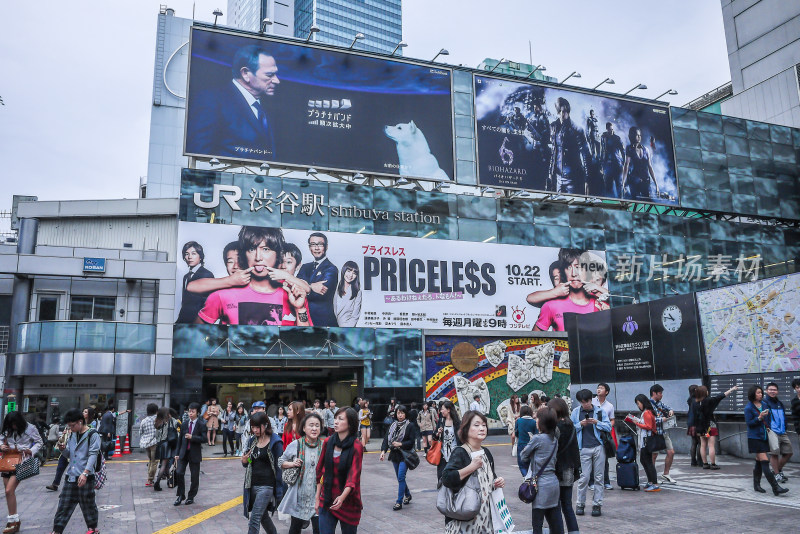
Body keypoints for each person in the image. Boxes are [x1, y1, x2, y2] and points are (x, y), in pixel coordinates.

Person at [198, 227, 312, 326]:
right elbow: (193, 337)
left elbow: (308, 341)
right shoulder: (221, 295)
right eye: (251, 249)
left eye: (266, 249)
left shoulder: (294, 294)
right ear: (244, 254)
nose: (258, 257)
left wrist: (300, 309)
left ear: (278, 254)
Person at [187, 44, 280, 159]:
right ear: (245, 73)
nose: (277, 80)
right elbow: (199, 153)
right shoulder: (211, 100)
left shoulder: (268, 108)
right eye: (269, 75)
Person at [440, 411, 505, 533]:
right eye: (476, 425)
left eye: (484, 425)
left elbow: (490, 479)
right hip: (464, 523)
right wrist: (471, 467)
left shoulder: (486, 452)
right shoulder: (460, 452)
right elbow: (447, 478)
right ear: (466, 428)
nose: (482, 428)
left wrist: (497, 481)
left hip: (485, 521)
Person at [48, 409, 100, 534]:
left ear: (80, 422)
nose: (70, 428)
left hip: (86, 477)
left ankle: (92, 529)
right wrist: (62, 449)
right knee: (63, 506)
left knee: (88, 505)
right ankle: (57, 531)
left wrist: (85, 473)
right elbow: (70, 455)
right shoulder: (72, 434)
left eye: (72, 425)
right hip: (71, 476)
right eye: (69, 426)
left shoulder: (93, 434)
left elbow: (93, 455)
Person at [315, 407, 364, 534]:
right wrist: (317, 498)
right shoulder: (328, 442)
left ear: (350, 423)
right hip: (327, 499)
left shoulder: (357, 446)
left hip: (348, 501)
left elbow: (353, 476)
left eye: (340, 419)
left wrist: (342, 497)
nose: (335, 421)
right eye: (335, 418)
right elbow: (320, 471)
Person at [534, 249, 608, 332]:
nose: (574, 273)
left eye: (578, 267)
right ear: (563, 271)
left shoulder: (602, 305)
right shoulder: (551, 306)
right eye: (568, 267)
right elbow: (533, 342)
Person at [279, 413, 324, 534]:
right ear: (304, 428)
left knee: (319, 529)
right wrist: (292, 463)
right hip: (299, 497)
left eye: (317, 425)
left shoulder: (325, 446)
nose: (314, 428)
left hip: (318, 497)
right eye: (311, 425)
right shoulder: (296, 444)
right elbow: (281, 461)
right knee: (295, 529)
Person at [241, 411, 284, 534]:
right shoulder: (252, 441)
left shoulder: (275, 442)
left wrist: (279, 490)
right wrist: (244, 461)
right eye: (252, 427)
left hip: (267, 485)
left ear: (265, 425)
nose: (254, 430)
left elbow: (279, 466)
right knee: (263, 517)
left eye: (257, 427)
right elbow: (250, 461)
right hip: (252, 484)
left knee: (254, 518)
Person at [521, 406, 563, 534]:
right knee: (555, 521)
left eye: (537, 418)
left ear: (541, 422)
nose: (536, 420)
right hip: (553, 484)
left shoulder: (537, 439)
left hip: (540, 485)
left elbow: (523, 456)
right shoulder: (555, 440)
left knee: (537, 524)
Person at [0, 411, 44, 533]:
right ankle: (14, 521)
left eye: (15, 424)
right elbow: (1, 439)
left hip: (22, 461)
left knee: (9, 490)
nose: (13, 426)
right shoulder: (7, 428)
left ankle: (13, 521)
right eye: (11, 424)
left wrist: (31, 450)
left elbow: (40, 442)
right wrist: (1, 446)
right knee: (9, 492)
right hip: (7, 461)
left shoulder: (30, 428)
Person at [570, 389, 611, 518]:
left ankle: (597, 504)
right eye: (582, 402)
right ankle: (580, 503)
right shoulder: (576, 412)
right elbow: (570, 429)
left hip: (598, 447)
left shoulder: (599, 411)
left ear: (591, 399)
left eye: (587, 401)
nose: (585, 404)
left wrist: (597, 423)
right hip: (583, 448)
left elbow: (609, 426)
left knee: (599, 477)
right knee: (584, 477)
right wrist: (580, 425)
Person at [744, 385, 788, 495]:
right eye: (758, 393)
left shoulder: (764, 404)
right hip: (755, 437)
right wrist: (759, 418)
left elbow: (768, 419)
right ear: (753, 394)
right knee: (765, 461)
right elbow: (749, 423)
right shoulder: (748, 407)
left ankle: (756, 485)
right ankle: (775, 487)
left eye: (761, 393)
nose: (761, 394)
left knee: (759, 462)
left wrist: (765, 419)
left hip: (764, 436)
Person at [548, 398, 580, 534]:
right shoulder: (570, 425)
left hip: (558, 471)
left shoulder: (555, 428)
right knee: (568, 505)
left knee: (556, 506)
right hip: (570, 470)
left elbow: (550, 449)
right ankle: (574, 531)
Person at [548, 97, 591, 195]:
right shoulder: (554, 127)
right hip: (558, 178)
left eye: (564, 112)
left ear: (568, 111)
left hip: (573, 179)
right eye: (560, 112)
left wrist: (587, 179)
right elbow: (553, 151)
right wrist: (550, 173)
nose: (562, 114)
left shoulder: (577, 130)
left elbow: (586, 155)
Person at [297, 232, 339, 327]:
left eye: (320, 244)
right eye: (313, 244)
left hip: (323, 322)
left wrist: (304, 286)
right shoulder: (304, 267)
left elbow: (320, 292)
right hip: (303, 320)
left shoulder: (331, 269)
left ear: (326, 247)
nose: (316, 248)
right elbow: (295, 288)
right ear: (309, 247)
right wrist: (312, 286)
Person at [380, 405, 415, 511]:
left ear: (406, 414)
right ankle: (408, 495)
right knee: (400, 478)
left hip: (405, 454)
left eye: (402, 413)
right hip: (395, 455)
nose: (400, 415)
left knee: (400, 477)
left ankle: (399, 502)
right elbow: (386, 439)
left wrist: (400, 444)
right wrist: (383, 451)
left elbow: (411, 442)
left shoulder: (410, 425)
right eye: (399, 413)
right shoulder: (393, 425)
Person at [695, 385, 737, 469]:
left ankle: (705, 464)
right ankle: (713, 464)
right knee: (711, 445)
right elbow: (721, 396)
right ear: (704, 392)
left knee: (703, 445)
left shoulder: (696, 402)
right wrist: (732, 389)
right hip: (710, 425)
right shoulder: (709, 400)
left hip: (700, 426)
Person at [624, 395, 660, 492]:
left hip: (646, 441)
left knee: (647, 462)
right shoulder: (647, 412)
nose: (638, 405)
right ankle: (651, 481)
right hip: (645, 440)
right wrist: (637, 420)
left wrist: (636, 423)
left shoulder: (647, 413)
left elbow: (648, 426)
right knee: (645, 461)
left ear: (643, 403)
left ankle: (654, 483)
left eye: (638, 403)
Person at [174, 402, 206, 506]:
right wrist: (177, 453)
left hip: (194, 453)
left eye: (193, 411)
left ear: (197, 412)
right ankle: (180, 495)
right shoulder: (184, 423)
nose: (190, 413)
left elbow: (204, 438)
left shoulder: (202, 424)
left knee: (194, 477)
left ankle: (191, 496)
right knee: (179, 473)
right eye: (189, 411)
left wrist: (193, 437)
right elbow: (180, 439)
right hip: (183, 453)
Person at [176, 241, 215, 323]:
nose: (190, 257)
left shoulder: (207, 275)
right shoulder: (186, 277)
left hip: (197, 323)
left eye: (193, 253)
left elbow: (208, 304)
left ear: (200, 256)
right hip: (183, 321)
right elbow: (185, 303)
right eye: (187, 254)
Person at [763, 382, 793, 482]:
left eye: (774, 390)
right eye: (770, 389)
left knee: (788, 452)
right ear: (766, 391)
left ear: (777, 391)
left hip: (782, 432)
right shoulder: (764, 403)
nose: (772, 391)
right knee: (774, 454)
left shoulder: (779, 403)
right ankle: (776, 474)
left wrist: (785, 427)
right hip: (772, 432)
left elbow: (784, 417)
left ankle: (777, 470)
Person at [621, 127, 661, 201]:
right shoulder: (629, 149)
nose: (639, 137)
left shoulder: (646, 150)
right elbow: (626, 165)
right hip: (634, 182)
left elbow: (650, 167)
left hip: (646, 182)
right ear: (632, 136)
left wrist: (656, 184)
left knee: (647, 203)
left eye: (640, 135)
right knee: (635, 203)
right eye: (637, 135)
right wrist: (623, 183)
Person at [648, 384, 676, 485]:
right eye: (660, 393)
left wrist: (670, 411)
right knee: (654, 455)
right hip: (654, 433)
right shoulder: (648, 404)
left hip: (663, 432)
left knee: (671, 452)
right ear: (654, 393)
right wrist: (661, 419)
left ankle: (666, 473)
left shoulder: (659, 403)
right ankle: (652, 477)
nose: (661, 395)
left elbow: (668, 408)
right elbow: (648, 419)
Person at [591, 383, 615, 490]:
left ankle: (606, 482)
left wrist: (608, 426)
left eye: (601, 388)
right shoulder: (591, 402)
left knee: (604, 459)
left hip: (603, 435)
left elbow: (612, 419)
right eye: (598, 388)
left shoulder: (609, 406)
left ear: (607, 392)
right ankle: (591, 482)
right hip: (591, 433)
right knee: (591, 459)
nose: (599, 389)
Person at [153, 407, 181, 492]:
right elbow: (180, 426)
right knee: (167, 464)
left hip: (161, 444)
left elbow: (156, 435)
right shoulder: (171, 420)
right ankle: (158, 482)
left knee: (163, 464)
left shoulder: (157, 422)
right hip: (169, 444)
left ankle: (168, 481)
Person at [433, 400, 461, 485]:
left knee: (454, 479)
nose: (441, 411)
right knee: (441, 477)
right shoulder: (441, 422)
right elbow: (434, 436)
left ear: (448, 410)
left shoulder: (457, 423)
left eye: (442, 409)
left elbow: (461, 439)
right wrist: (438, 433)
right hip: (443, 455)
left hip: (455, 455)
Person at [600, 122, 625, 197]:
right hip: (608, 165)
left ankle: (622, 203)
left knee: (619, 186)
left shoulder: (617, 138)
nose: (611, 131)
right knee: (608, 187)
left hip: (617, 164)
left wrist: (624, 164)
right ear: (607, 129)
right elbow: (602, 151)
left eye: (612, 129)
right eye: (610, 130)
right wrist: (602, 165)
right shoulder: (603, 137)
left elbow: (623, 152)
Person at [333, 261, 362, 327]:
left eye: (354, 273)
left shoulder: (357, 292)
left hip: (346, 328)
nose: (351, 275)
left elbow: (355, 316)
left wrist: (346, 328)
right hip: (332, 326)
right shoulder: (336, 286)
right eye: (349, 271)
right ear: (344, 271)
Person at [139, 403, 159, 487]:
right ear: (156, 411)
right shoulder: (158, 420)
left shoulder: (144, 421)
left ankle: (149, 478)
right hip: (155, 443)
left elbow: (140, 432)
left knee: (150, 460)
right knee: (154, 462)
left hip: (146, 444)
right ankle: (150, 479)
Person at [514, 405, 538, 476]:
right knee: (532, 465)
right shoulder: (534, 422)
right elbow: (536, 434)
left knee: (522, 464)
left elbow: (516, 433)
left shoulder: (518, 421)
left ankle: (526, 478)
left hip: (521, 444)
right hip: (532, 446)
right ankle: (531, 480)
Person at [686, 385, 703, 467]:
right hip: (697, 424)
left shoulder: (690, 400)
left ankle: (693, 461)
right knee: (701, 442)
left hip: (691, 424)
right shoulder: (696, 401)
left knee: (694, 443)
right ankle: (700, 461)